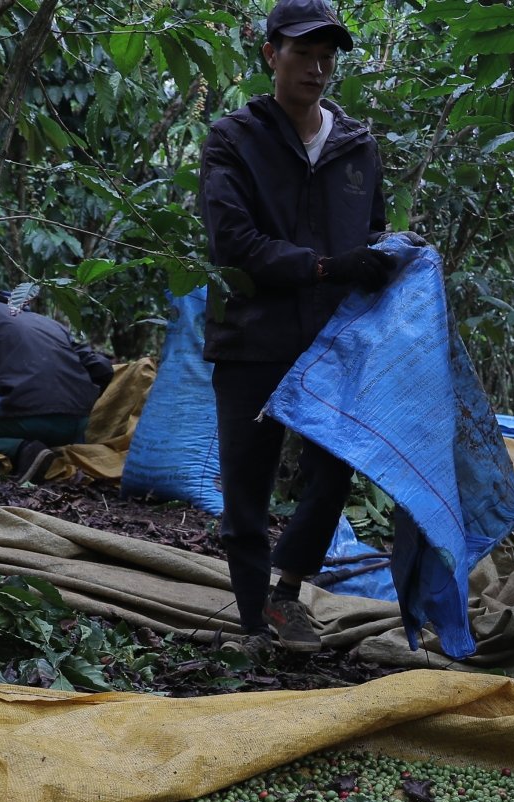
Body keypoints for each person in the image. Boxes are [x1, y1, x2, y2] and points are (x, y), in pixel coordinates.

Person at [198, 0, 399, 653]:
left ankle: (287, 597)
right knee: (247, 485)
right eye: (303, 53)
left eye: (327, 56)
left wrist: (385, 258)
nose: (317, 68)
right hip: (252, 337)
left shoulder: (357, 147)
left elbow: (372, 230)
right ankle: (257, 625)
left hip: (332, 345)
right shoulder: (234, 139)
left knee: (334, 473)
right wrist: (322, 266)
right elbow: (234, 242)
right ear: (270, 54)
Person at [0, 284, 113, 484]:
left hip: (26, 412)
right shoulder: (51, 324)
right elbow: (102, 368)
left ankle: (23, 451)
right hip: (76, 424)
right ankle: (55, 453)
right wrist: (82, 404)